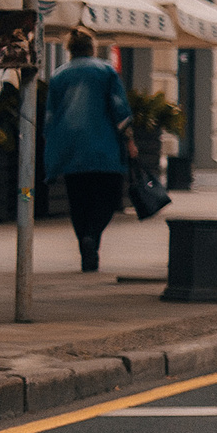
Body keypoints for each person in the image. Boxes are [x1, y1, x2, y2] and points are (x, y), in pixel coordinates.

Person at [43, 33, 133, 273]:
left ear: (69, 49)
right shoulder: (105, 72)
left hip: (71, 150)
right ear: (92, 48)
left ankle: (86, 247)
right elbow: (119, 108)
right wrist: (130, 140)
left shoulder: (59, 75)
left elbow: (50, 117)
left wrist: (51, 150)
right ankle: (92, 236)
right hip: (103, 148)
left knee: (78, 201)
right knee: (108, 198)